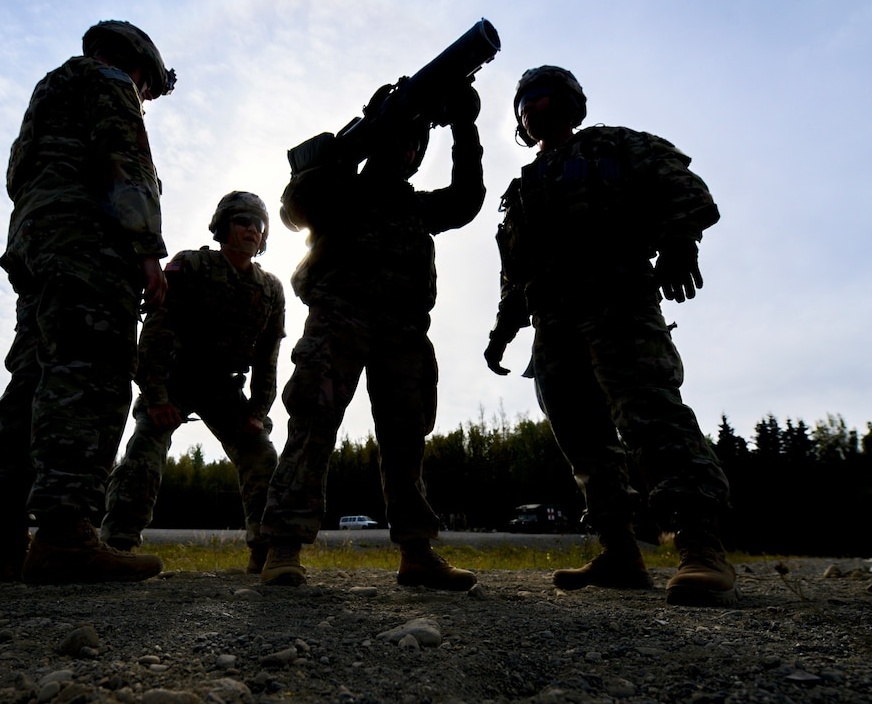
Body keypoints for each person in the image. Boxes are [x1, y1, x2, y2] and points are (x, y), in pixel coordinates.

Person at [484, 65, 737, 607]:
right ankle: (620, 552)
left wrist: (677, 243)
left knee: (650, 416)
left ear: (571, 103)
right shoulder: (522, 189)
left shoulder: (618, 146)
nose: (535, 106)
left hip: (617, 303)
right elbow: (514, 270)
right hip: (553, 327)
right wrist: (504, 329)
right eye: (525, 100)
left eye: (545, 95)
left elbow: (682, 186)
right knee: (583, 440)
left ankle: (701, 545)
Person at [0, 20, 178, 584]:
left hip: (37, 241)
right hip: (87, 241)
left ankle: (1, 542)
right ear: (138, 66)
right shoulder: (109, 83)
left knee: (34, 376)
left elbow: (18, 176)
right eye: (149, 90)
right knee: (93, 370)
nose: (146, 100)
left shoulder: (50, 89)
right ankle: (65, 535)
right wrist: (146, 249)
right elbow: (124, 158)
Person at [259, 81, 486, 590]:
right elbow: (296, 206)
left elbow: (467, 200)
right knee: (313, 424)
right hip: (339, 321)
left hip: (404, 331)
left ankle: (417, 553)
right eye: (399, 138)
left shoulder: (415, 206)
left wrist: (465, 128)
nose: (407, 150)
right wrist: (356, 142)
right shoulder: (341, 187)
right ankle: (283, 547)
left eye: (414, 143)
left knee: (406, 440)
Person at [101, 191, 286, 573]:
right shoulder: (193, 265)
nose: (251, 229)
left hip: (224, 387)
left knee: (261, 453)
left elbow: (268, 357)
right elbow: (156, 329)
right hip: (175, 377)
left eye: (258, 224)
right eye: (242, 221)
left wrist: (257, 410)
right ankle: (118, 542)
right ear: (222, 228)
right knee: (145, 446)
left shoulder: (270, 289)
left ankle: (268, 551)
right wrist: (155, 397)